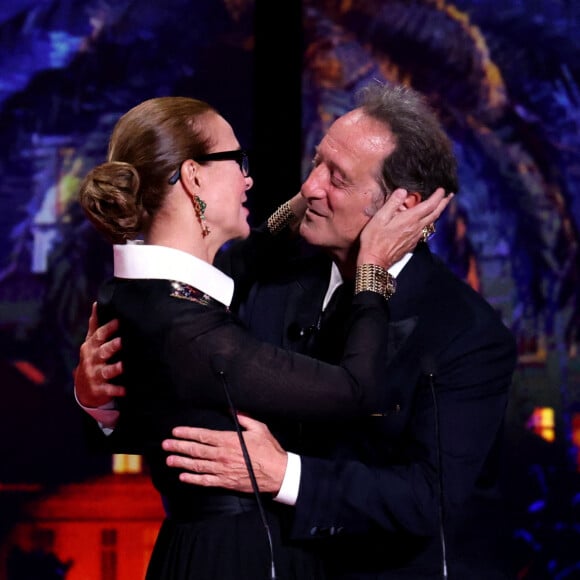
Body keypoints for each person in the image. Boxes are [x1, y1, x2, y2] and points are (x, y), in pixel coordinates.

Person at [76, 82, 516, 578]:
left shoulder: (466, 334)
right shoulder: (256, 274)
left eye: (339, 178)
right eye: (317, 163)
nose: (309, 188)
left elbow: (428, 502)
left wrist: (288, 476)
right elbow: (189, 417)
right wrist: (102, 401)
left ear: (404, 206)